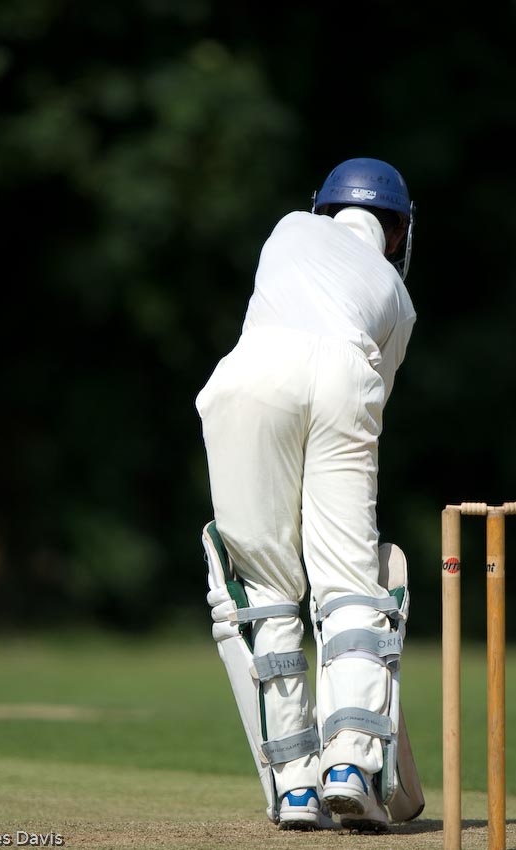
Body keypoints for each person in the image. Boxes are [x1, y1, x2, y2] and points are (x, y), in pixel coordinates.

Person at [195, 157, 416, 832]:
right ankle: (350, 765)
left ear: (324, 208)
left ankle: (295, 787)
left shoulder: (288, 228)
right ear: (399, 232)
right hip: (349, 372)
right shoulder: (398, 297)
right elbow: (370, 402)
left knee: (265, 585)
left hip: (254, 374)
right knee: (348, 582)